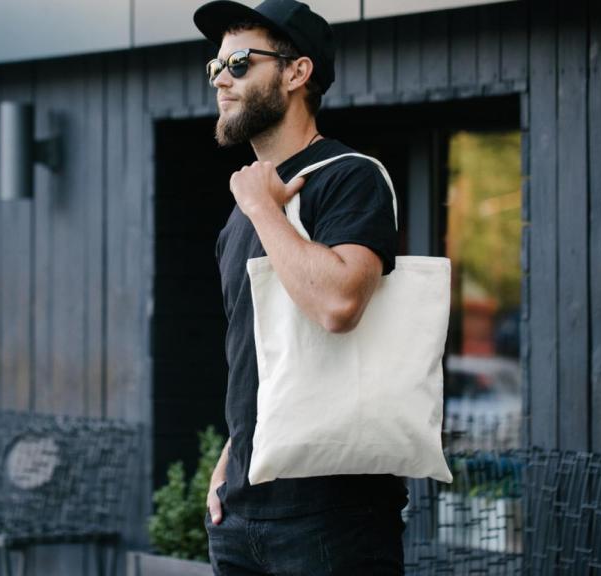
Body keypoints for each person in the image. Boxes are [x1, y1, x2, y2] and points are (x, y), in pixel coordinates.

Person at [192, 0, 409, 573]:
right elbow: (258, 356)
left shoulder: (350, 176)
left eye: (239, 62)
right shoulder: (243, 211)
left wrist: (265, 209)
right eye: (214, 67)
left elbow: (339, 303)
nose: (221, 81)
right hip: (240, 514)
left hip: (332, 517)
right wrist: (226, 464)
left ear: (296, 73)